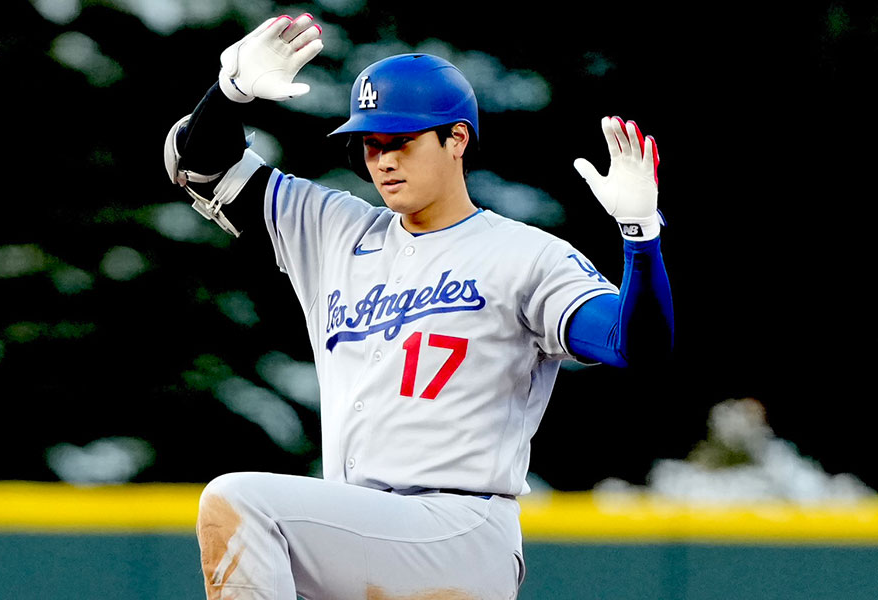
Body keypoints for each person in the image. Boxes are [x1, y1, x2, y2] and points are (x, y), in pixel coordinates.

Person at [164, 13, 674, 600]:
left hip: (460, 528)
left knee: (242, 502)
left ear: (456, 139)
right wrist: (229, 94)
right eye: (371, 144)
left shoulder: (526, 255)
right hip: (363, 528)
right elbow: (200, 166)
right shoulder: (334, 230)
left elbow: (634, 345)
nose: (383, 160)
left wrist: (640, 237)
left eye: (401, 141)